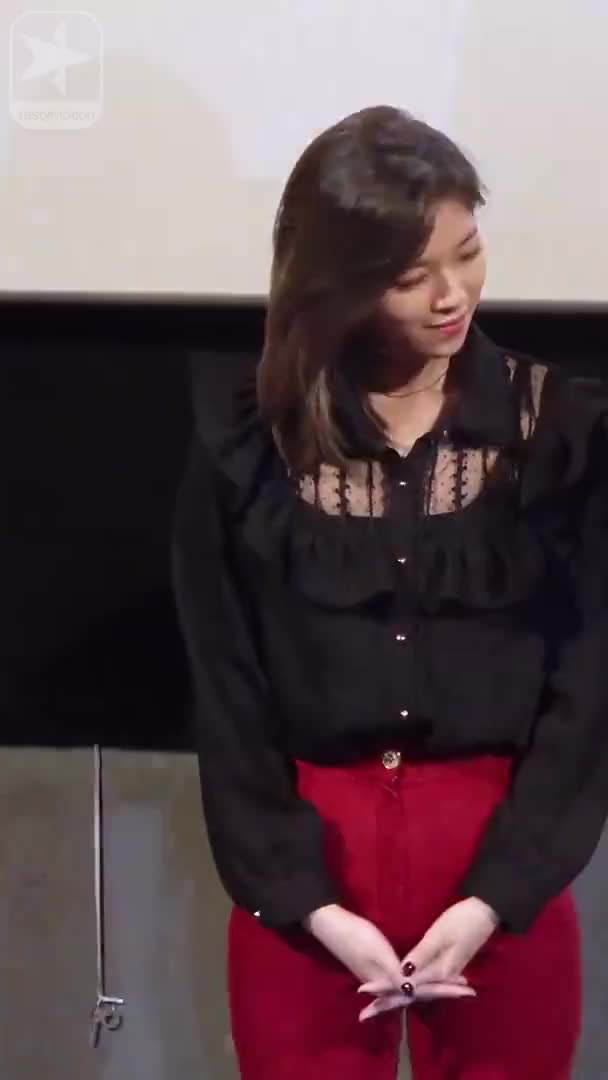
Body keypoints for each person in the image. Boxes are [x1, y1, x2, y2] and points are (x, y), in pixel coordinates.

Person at [172, 105, 608, 1079]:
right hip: (308, 874)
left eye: (468, 253)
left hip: (500, 864)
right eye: (412, 277)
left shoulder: (558, 433)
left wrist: (496, 894)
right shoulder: (248, 444)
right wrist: (310, 904)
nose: (452, 296)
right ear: (337, 282)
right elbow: (227, 691)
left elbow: (588, 687)